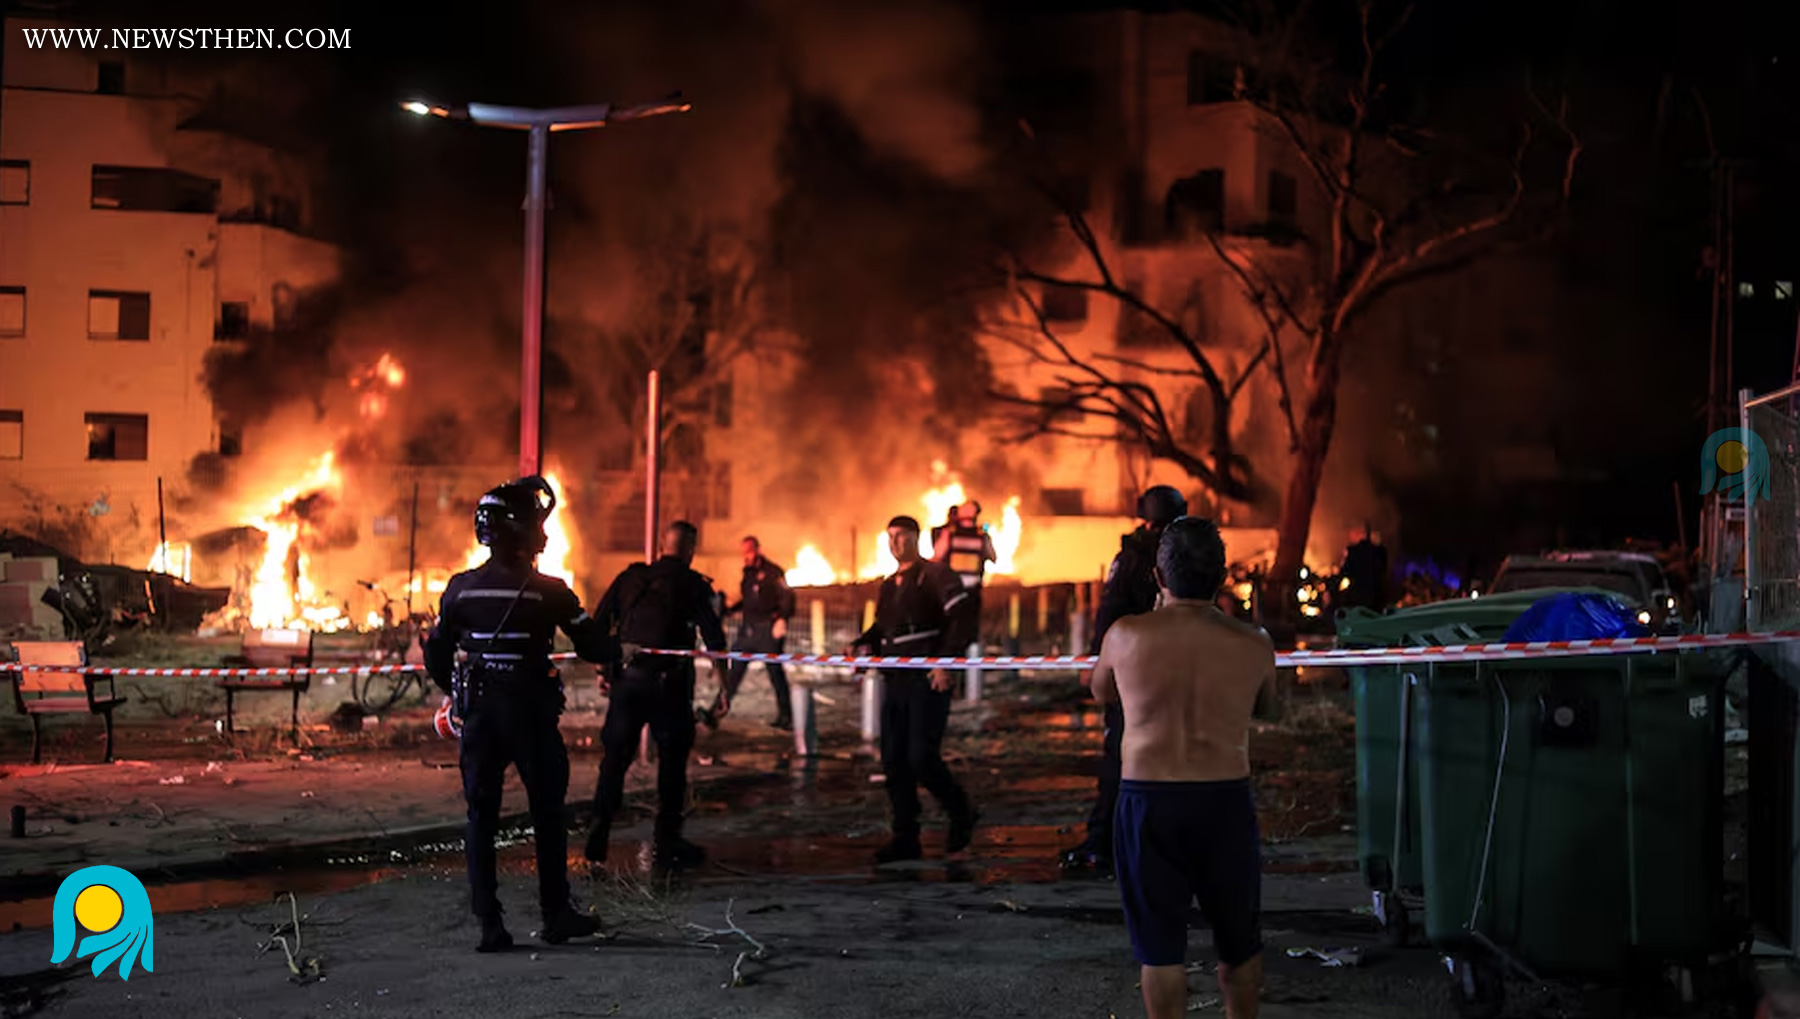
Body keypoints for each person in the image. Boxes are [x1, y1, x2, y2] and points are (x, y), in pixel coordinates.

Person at [1090, 516, 1271, 1019]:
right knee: (1239, 946)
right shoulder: (1254, 641)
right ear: (1222, 577)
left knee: (1161, 950)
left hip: (1148, 800)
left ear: (1158, 576)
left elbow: (1101, 691)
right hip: (1224, 800)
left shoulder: (1125, 635)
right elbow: (1267, 707)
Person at [424, 476, 607, 953]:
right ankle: (555, 915)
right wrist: (620, 650)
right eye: (537, 524)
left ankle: (490, 925)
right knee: (547, 813)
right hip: (530, 716)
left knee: (480, 816)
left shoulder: (460, 590)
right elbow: (593, 647)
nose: (543, 533)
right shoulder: (550, 592)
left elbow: (435, 655)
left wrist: (456, 697)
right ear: (521, 530)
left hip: (481, 717)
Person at [584, 520, 727, 869]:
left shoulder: (630, 578)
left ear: (663, 544)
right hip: (669, 688)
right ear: (690, 549)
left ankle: (599, 829)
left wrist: (604, 670)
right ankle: (668, 840)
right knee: (672, 765)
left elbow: (598, 625)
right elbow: (714, 637)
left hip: (627, 684)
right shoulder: (692, 584)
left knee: (615, 761)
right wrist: (723, 685)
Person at [1062, 484, 1187, 873]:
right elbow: (1112, 611)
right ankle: (1119, 842)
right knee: (1137, 757)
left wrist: (1099, 661)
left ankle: (1112, 842)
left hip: (1145, 670)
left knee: (1125, 756)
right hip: (1159, 671)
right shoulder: (1171, 553)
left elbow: (1110, 611)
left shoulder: (1152, 554)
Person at [849, 515, 981, 863]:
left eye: (902, 536)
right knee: (894, 760)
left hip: (927, 680)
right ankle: (905, 836)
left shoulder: (936, 576)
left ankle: (961, 812)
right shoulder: (889, 585)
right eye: (890, 536)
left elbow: (963, 617)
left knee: (922, 757)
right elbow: (883, 628)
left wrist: (945, 662)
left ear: (915, 538)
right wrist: (861, 644)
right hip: (895, 681)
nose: (895, 543)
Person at [699, 536, 797, 731]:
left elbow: (788, 597)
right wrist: (730, 609)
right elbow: (748, 600)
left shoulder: (773, 572)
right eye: (743, 552)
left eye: (749, 551)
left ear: (757, 550)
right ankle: (715, 713)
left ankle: (786, 717)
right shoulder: (748, 574)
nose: (746, 555)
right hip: (748, 631)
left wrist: (781, 619)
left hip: (768, 631)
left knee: (775, 674)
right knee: (733, 674)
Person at [1339, 524, 1390, 611]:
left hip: (1359, 594)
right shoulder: (1377, 551)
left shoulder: (1354, 552)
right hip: (1374, 595)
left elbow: (1345, 571)